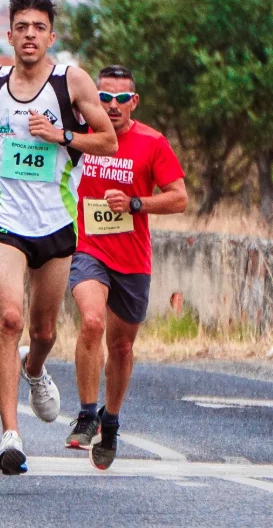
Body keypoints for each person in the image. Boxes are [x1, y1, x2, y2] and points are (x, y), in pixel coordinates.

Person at [0, 0, 117, 475]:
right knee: (9, 318)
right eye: (21, 27)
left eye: (38, 27)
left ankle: (35, 368)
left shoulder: (71, 81)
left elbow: (107, 140)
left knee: (43, 330)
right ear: (9, 34)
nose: (29, 35)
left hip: (55, 222)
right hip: (4, 220)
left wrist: (61, 136)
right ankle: (10, 436)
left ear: (51, 35)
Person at [66, 65, 187, 470]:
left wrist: (137, 203)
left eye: (121, 99)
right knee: (92, 322)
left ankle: (111, 421)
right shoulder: (79, 140)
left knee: (121, 347)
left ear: (133, 102)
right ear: (93, 99)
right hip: (88, 249)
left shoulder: (152, 143)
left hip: (133, 259)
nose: (112, 106)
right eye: (104, 98)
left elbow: (179, 198)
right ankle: (86, 413)